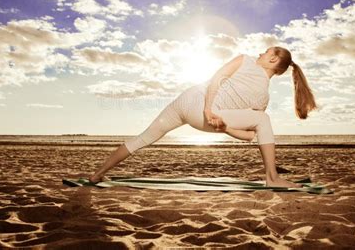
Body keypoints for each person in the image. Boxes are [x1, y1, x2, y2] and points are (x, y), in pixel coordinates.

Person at [89, 46, 317, 188]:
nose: (260, 52)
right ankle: (272, 177)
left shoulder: (249, 69)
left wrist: (224, 126)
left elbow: (248, 136)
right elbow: (217, 78)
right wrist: (210, 111)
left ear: (274, 60)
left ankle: (97, 174)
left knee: (143, 138)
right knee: (264, 121)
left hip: (188, 101)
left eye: (266, 51)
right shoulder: (255, 81)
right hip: (201, 107)